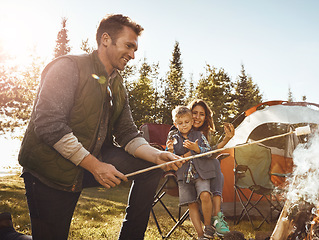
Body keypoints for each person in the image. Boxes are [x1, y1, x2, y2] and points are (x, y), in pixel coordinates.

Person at [17, 14, 181, 240]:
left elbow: (127, 133)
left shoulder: (117, 83)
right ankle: (7, 232)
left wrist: (156, 155)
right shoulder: (67, 67)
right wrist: (95, 166)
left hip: (91, 158)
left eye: (135, 49)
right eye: (129, 46)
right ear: (106, 39)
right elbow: (48, 124)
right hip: (49, 172)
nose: (133, 55)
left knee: (150, 169)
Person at [166, 106, 217, 240]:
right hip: (183, 176)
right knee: (192, 204)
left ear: (191, 121)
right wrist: (170, 151)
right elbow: (168, 158)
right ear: (175, 124)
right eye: (180, 123)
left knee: (205, 195)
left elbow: (209, 152)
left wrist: (197, 149)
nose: (183, 125)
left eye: (187, 122)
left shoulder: (198, 135)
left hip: (201, 173)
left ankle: (208, 227)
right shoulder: (173, 137)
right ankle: (201, 236)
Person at [188, 99, 235, 237]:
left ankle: (217, 216)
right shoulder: (181, 128)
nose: (197, 117)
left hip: (205, 174)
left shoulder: (203, 134)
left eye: (201, 114)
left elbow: (209, 153)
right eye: (194, 113)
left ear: (206, 117)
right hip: (189, 175)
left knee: (215, 163)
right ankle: (216, 217)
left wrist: (227, 139)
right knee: (214, 164)